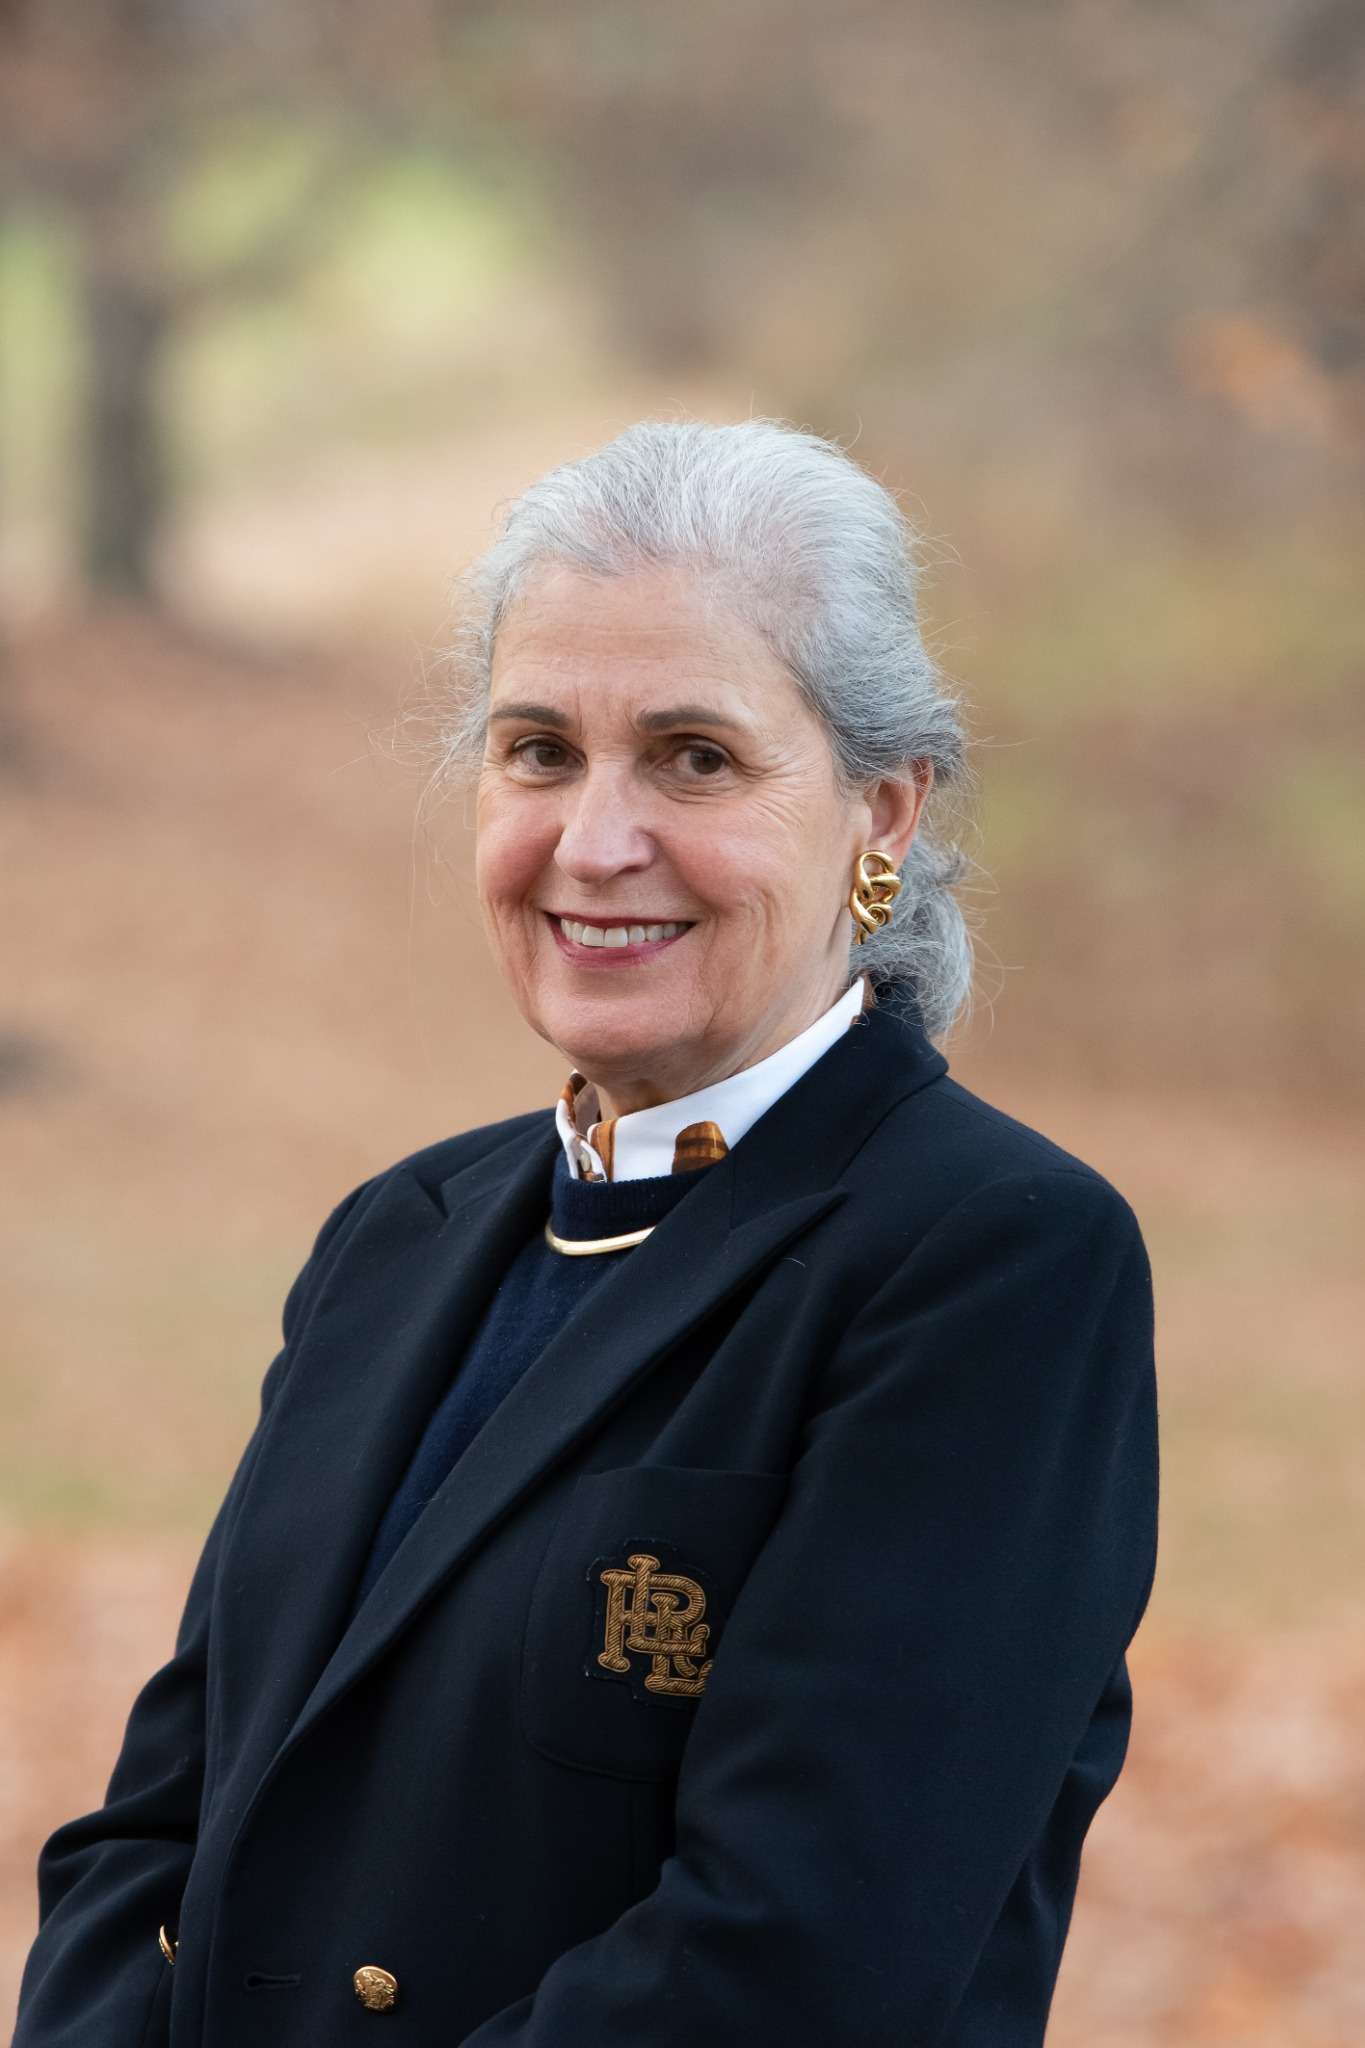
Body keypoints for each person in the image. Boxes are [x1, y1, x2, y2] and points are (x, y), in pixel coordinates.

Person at [13, 418, 1159, 2048]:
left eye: (694, 756)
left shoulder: (989, 1261)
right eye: (538, 749)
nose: (593, 841)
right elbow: (156, 1838)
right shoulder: (395, 1239)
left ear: (881, 814)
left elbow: (794, 1960)